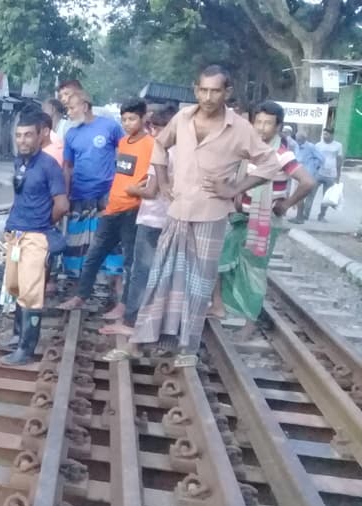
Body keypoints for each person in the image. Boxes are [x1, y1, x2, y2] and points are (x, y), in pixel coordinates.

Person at [104, 65, 285, 368]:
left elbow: (269, 163)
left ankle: (187, 347)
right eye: (203, 90)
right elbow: (160, 147)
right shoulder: (183, 118)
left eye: (216, 91)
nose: (209, 97)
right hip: (177, 213)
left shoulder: (239, 127)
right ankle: (137, 343)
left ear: (227, 93)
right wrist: (162, 184)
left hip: (212, 215)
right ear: (195, 89)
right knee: (161, 277)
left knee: (198, 283)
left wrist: (236, 187)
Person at [215, 101, 315, 331]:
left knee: (254, 272)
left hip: (263, 222)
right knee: (222, 261)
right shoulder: (248, 149)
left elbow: (308, 182)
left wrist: (286, 204)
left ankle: (250, 322)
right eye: (258, 122)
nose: (261, 128)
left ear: (278, 127)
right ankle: (220, 306)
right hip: (241, 218)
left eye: (268, 123)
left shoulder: (281, 154)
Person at [58, 99, 153, 319]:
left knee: (130, 261)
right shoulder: (124, 143)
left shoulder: (150, 145)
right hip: (112, 208)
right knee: (94, 254)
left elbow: (154, 174)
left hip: (132, 209)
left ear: (143, 118)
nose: (128, 123)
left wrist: (138, 189)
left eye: (132, 119)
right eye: (125, 119)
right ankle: (80, 296)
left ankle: (124, 306)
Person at [0, 111, 69, 366]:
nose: (23, 140)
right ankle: (17, 336)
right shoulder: (20, 162)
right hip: (15, 233)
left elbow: (62, 204)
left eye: (28, 135)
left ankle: (26, 350)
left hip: (35, 236)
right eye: (19, 135)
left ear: (41, 135)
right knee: (16, 288)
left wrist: (41, 225)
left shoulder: (49, 166)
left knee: (31, 293)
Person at [101, 105, 178, 336]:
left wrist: (134, 189)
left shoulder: (162, 154)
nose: (154, 133)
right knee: (158, 271)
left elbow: (152, 190)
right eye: (153, 128)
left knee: (140, 271)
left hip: (152, 218)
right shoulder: (180, 153)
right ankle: (153, 321)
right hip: (167, 218)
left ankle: (131, 322)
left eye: (158, 128)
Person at [60, 90, 125, 281]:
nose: (69, 113)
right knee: (76, 241)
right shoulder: (71, 134)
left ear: (85, 107)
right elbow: (68, 167)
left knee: (109, 240)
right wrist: (65, 195)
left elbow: (124, 155)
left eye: (72, 108)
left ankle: (111, 286)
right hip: (80, 195)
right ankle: (76, 286)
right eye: (67, 109)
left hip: (106, 194)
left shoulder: (110, 127)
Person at [291, 131, 325, 223]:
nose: (298, 141)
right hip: (298, 172)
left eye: (299, 139)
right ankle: (299, 217)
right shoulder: (297, 146)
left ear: (304, 139)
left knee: (300, 196)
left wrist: (314, 168)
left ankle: (299, 218)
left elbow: (321, 158)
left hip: (307, 174)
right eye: (297, 139)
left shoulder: (310, 147)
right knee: (298, 196)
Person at [314, 128, 344, 222]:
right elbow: (314, 159)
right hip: (318, 173)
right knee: (310, 194)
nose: (324, 136)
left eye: (326, 134)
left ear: (332, 135)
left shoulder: (338, 145)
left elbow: (339, 161)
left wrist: (338, 176)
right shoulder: (318, 145)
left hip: (331, 175)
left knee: (327, 197)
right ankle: (305, 215)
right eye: (323, 134)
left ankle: (321, 216)